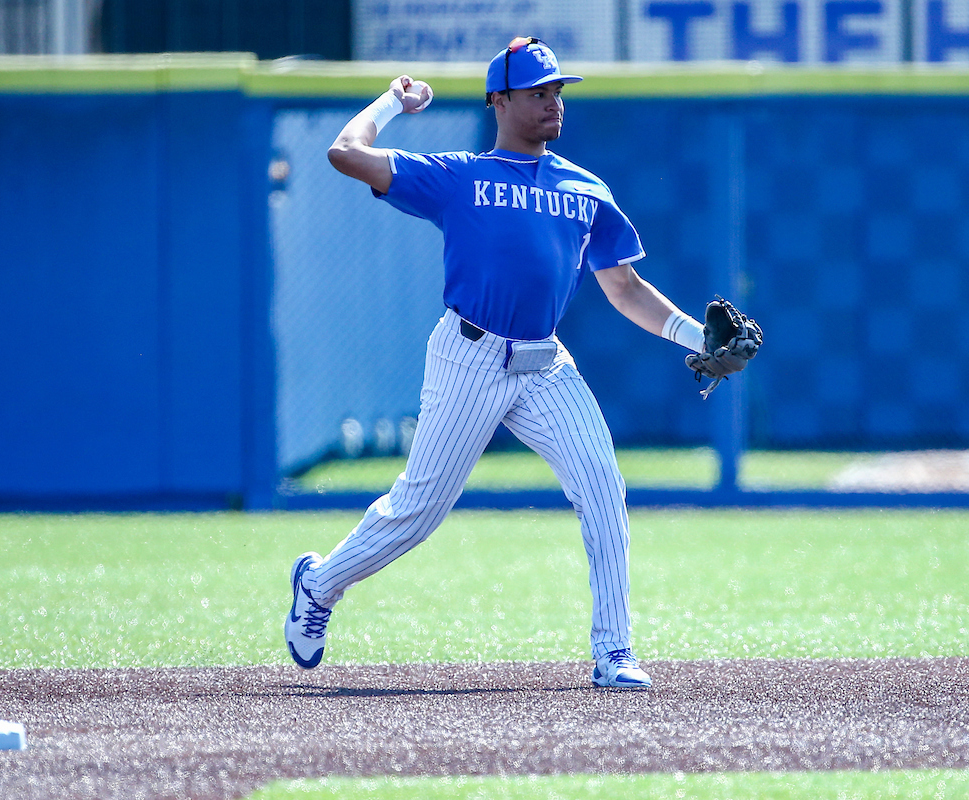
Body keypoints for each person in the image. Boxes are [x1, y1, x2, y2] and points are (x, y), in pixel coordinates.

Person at [285, 38, 743, 688]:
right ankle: (319, 585)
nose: (553, 102)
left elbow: (625, 289)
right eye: (538, 92)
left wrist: (697, 337)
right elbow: (344, 153)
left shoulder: (584, 189)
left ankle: (615, 651)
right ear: (499, 100)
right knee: (418, 511)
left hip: (545, 364)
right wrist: (392, 102)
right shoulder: (458, 176)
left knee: (603, 489)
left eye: (557, 91)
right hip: (468, 356)